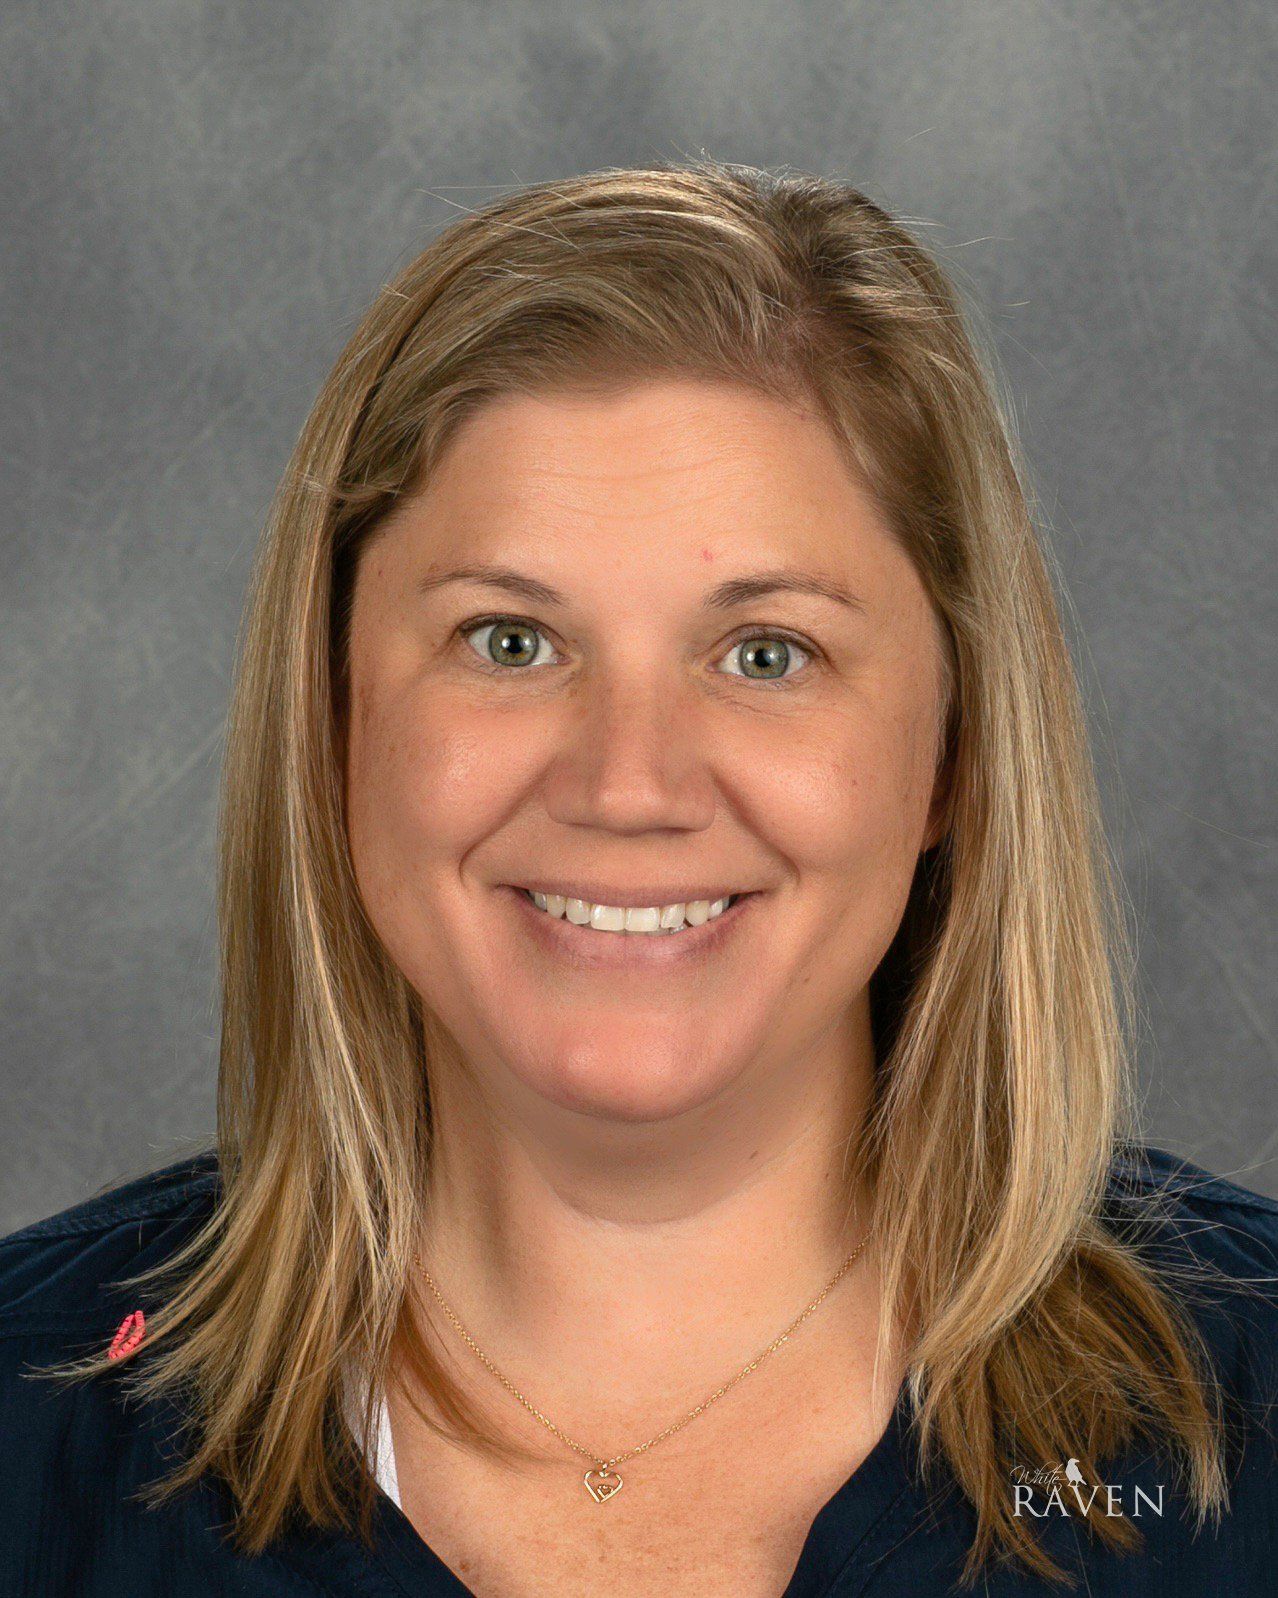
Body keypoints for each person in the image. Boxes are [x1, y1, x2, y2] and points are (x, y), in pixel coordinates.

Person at [1, 159, 1275, 1597]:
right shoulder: (27, 1431)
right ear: (334, 716)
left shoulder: (1256, 1412)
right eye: (509, 642)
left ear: (956, 753)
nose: (627, 784)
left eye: (765, 654)